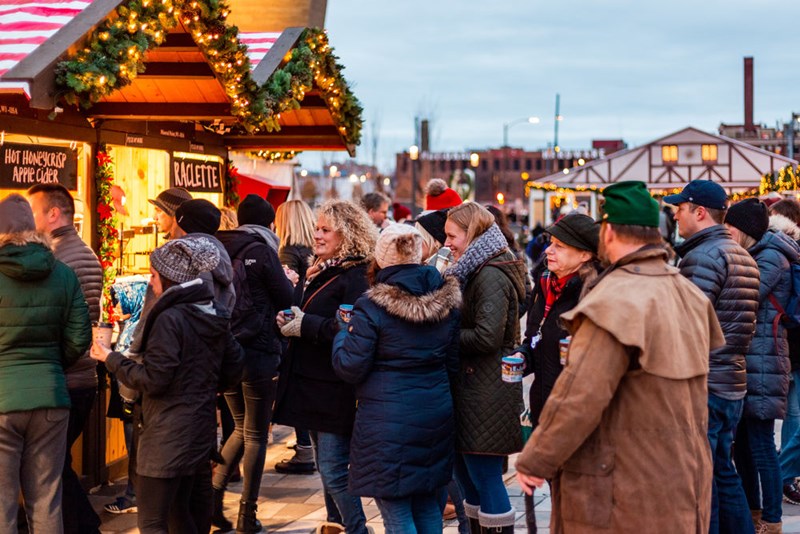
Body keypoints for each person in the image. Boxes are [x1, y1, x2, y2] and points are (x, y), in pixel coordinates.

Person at [516, 180, 724, 532]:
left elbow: (580, 394)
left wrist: (537, 459)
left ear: (608, 232)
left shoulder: (614, 299)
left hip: (623, 486)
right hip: (683, 479)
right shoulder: (686, 292)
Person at [90, 237, 244, 534]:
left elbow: (154, 380)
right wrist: (203, 384)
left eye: (153, 275)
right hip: (199, 434)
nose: (150, 281)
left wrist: (110, 358)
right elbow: (235, 366)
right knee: (185, 519)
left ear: (168, 279)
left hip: (166, 437)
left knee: (153, 522)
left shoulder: (170, 318)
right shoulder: (211, 313)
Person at [331, 224, 461, 534]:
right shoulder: (446, 300)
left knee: (396, 509)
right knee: (428, 504)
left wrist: (341, 332)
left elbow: (350, 366)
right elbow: (453, 361)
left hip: (387, 422)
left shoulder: (372, 306)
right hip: (435, 413)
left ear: (382, 259)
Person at [273, 199, 377, 534]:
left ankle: (357, 528)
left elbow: (351, 329)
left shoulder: (357, 275)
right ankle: (336, 524)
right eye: (316, 228)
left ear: (347, 235)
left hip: (334, 386)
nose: (317, 235)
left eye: (325, 230)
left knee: (333, 468)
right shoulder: (326, 268)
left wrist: (305, 325)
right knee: (324, 463)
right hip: (313, 382)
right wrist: (291, 317)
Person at [664, 179, 760, 534]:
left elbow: (688, 325)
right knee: (722, 470)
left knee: (703, 479)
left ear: (699, 212)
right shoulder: (739, 254)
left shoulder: (703, 255)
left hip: (708, 380)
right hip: (731, 379)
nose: (675, 215)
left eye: (680, 208)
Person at [0, 194, 91, 533]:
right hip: (52, 396)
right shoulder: (63, 274)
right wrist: (53, 363)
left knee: (2, 503)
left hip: (3, 400)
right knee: (47, 499)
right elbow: (80, 336)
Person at [507, 213, 599, 534]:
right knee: (558, 496)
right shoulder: (545, 286)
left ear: (586, 254)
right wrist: (521, 358)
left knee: (577, 505)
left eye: (560, 246)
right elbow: (535, 341)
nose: (549, 251)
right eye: (550, 243)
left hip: (578, 418)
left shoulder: (591, 293)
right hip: (546, 409)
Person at [444, 202, 527, 533]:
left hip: (487, 392)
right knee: (471, 480)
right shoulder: (474, 268)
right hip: (475, 389)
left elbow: (486, 336)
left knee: (486, 478)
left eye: (452, 236)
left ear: (472, 233)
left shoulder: (489, 273)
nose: (447, 243)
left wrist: (443, 334)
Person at [214, 194, 295, 533]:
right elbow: (287, 301)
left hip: (226, 351)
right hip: (259, 353)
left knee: (237, 425)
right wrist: (292, 282)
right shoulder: (262, 250)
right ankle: (247, 515)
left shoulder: (217, 247)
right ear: (269, 223)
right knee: (256, 433)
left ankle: (211, 500)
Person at [26, 183, 103, 534]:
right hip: (79, 376)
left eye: (34, 211)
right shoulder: (79, 250)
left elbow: (65, 328)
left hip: (67, 378)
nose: (30, 219)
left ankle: (84, 526)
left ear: (53, 213)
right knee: (56, 465)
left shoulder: (58, 257)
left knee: (49, 467)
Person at [725, 199, 799, 533]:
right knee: (743, 444)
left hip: (765, 360)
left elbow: (743, 296)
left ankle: (771, 519)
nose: (726, 233)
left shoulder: (772, 258)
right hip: (749, 359)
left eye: (730, 228)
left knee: (762, 445)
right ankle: (753, 514)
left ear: (743, 230)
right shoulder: (756, 254)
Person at [273, 199, 317, 475]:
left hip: (294, 326)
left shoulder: (287, 252)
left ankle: (304, 450)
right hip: (311, 324)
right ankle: (307, 446)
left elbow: (286, 294)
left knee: (295, 385)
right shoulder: (313, 250)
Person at [768, 199, 800, 504]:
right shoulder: (791, 252)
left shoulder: (770, 251)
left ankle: (783, 476)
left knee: (793, 414)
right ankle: (782, 475)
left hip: (781, 340)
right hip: (791, 342)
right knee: (795, 415)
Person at [174, 198, 236, 313]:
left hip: (194, 328)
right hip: (217, 327)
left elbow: (196, 308)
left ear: (183, 225)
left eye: (175, 221)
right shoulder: (218, 252)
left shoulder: (192, 257)